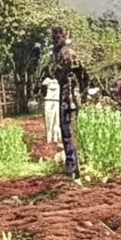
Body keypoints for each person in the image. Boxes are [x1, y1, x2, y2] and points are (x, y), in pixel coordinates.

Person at [51, 27, 84, 179]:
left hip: (67, 99)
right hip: (69, 98)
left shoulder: (65, 54)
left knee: (68, 133)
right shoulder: (65, 53)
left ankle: (73, 168)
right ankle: (73, 167)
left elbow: (75, 76)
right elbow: (82, 75)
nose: (54, 39)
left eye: (57, 36)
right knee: (68, 133)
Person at [41, 76, 61, 144]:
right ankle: (56, 138)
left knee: (50, 122)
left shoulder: (48, 82)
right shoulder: (58, 85)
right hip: (56, 102)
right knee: (56, 121)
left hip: (50, 102)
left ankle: (50, 139)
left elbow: (43, 84)